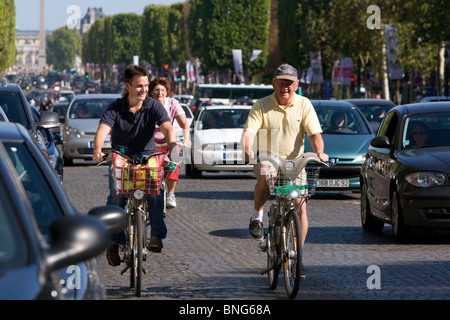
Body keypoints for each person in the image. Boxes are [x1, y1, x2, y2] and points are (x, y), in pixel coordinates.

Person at [241, 64, 329, 276]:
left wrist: (320, 153)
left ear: (296, 85)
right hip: (267, 158)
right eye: (281, 83)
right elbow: (249, 133)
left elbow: (315, 135)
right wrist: (247, 151)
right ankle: (257, 217)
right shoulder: (261, 105)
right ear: (274, 84)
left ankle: (297, 255)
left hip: (294, 163)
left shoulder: (304, 104)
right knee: (266, 171)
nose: (285, 88)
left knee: (301, 204)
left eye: (289, 84)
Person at [92, 65, 177, 265]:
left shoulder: (154, 106)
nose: (144, 90)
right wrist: (97, 149)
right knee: (116, 195)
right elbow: (102, 131)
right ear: (128, 86)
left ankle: (156, 235)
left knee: (156, 190)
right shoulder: (115, 107)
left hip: (148, 157)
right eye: (140, 86)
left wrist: (172, 145)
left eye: (146, 86)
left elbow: (167, 127)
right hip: (121, 156)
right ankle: (113, 242)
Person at [149, 77, 191, 210]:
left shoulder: (172, 104)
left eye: (162, 90)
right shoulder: (146, 104)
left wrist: (186, 138)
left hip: (169, 142)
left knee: (174, 163)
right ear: (151, 92)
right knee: (148, 171)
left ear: (167, 92)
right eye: (156, 90)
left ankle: (171, 194)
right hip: (150, 145)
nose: (159, 93)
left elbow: (184, 124)